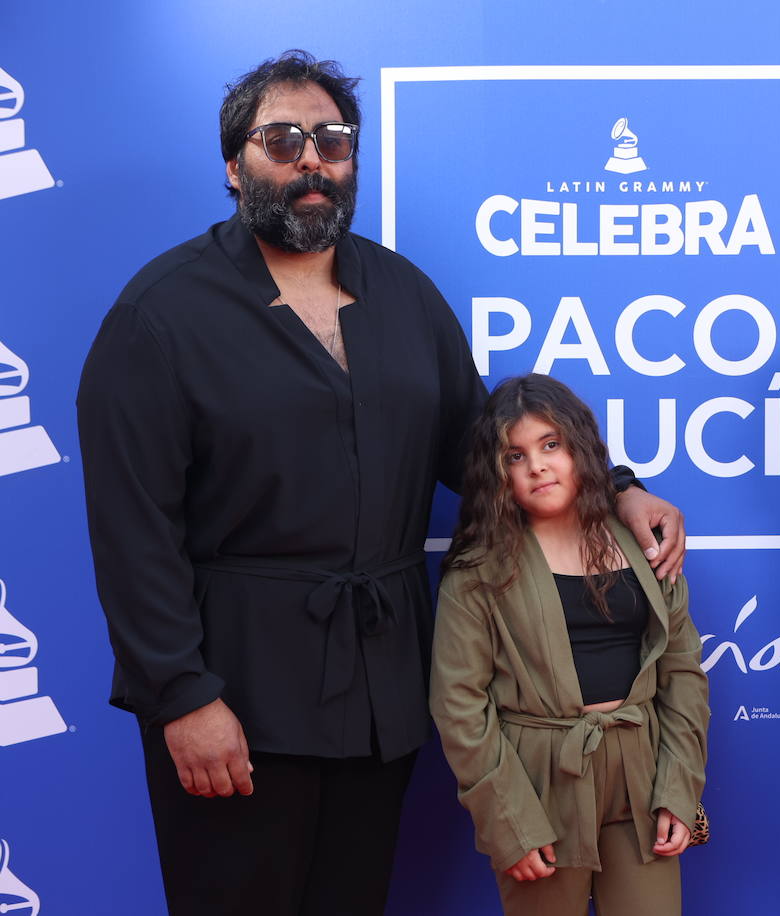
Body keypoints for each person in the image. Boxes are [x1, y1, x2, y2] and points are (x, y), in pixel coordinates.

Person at [75, 51, 684, 916]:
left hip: (379, 692)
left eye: (332, 141)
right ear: (234, 165)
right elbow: (133, 532)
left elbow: (484, 444)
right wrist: (182, 696)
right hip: (237, 693)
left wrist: (616, 487)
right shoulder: (161, 316)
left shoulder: (403, 294)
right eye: (282, 141)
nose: (311, 160)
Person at [429, 374, 708, 916]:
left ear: (580, 447)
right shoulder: (478, 570)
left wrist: (678, 786)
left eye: (551, 444)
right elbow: (459, 704)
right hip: (538, 782)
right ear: (497, 474)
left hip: (641, 773)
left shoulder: (645, 542)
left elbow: (682, 674)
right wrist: (508, 820)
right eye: (515, 456)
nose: (536, 465)